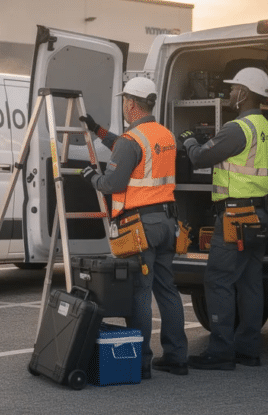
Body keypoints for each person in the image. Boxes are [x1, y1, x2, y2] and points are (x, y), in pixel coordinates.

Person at [79, 76, 187, 378]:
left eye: (124, 103)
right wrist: (98, 131)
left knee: (140, 292)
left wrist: (90, 177)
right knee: (167, 291)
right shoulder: (165, 135)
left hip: (140, 226)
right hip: (167, 223)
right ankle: (177, 356)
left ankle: (140, 362)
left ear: (130, 103)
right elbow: (133, 153)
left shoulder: (131, 140)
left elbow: (113, 182)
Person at [180, 67, 268, 370]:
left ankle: (220, 352)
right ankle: (248, 350)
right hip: (262, 215)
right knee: (250, 282)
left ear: (245, 94)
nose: (230, 94)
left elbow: (200, 157)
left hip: (236, 215)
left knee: (218, 280)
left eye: (234, 89)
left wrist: (189, 141)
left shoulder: (238, 128)